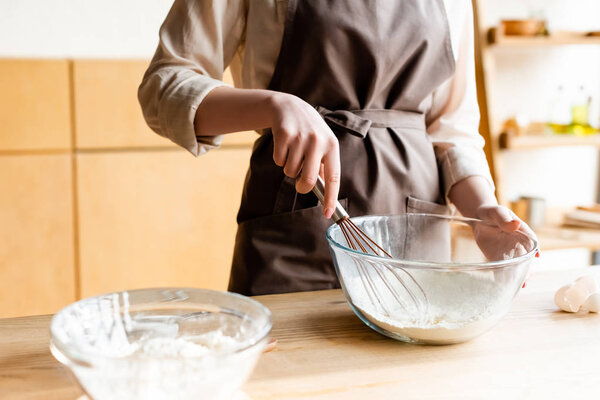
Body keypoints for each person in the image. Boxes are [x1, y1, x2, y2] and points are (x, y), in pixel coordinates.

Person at [139, 0, 536, 296]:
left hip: (418, 242)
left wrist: (482, 208)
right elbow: (164, 86)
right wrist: (273, 104)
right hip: (295, 228)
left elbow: (452, 129)